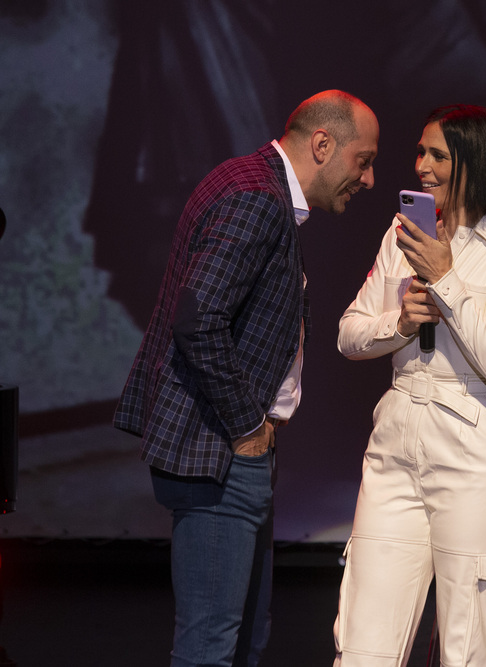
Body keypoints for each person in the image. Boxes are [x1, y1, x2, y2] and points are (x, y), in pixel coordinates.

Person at [113, 90, 379, 667]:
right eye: (363, 161)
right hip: (219, 454)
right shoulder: (257, 198)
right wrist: (247, 427)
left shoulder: (245, 181)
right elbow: (199, 318)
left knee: (236, 644)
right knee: (213, 647)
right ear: (323, 144)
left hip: (224, 452)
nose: (370, 178)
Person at [333, 104, 486, 666]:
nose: (421, 166)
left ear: (475, 162)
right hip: (396, 442)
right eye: (420, 152)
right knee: (362, 647)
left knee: (467, 648)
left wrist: (447, 279)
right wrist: (399, 324)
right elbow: (349, 334)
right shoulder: (402, 232)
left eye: (437, 156)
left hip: (474, 450)